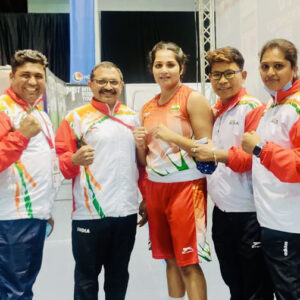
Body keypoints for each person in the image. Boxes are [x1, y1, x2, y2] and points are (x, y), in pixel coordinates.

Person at [55, 61, 143, 300]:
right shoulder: (75, 118)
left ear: (121, 85)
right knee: (86, 280)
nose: (108, 87)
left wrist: (145, 199)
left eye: (113, 82)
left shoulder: (133, 119)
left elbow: (141, 164)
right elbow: (62, 165)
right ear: (90, 84)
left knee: (118, 277)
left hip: (126, 212)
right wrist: (73, 160)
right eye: (102, 81)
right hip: (88, 214)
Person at [192, 46, 274, 299]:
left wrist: (216, 155)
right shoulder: (217, 111)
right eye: (216, 75)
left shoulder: (253, 108)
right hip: (223, 212)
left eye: (229, 73)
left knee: (255, 287)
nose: (223, 81)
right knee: (233, 282)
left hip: (251, 213)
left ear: (244, 74)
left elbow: (254, 158)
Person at [133, 41, 213, 300]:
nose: (164, 70)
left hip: (187, 188)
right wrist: (139, 146)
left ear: (181, 68)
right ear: (151, 69)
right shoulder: (147, 107)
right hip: (156, 189)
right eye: (158, 65)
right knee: (168, 259)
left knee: (188, 262)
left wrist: (173, 137)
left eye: (170, 64)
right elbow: (145, 162)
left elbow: (208, 152)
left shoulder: (193, 99)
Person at [242, 38, 300, 300]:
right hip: (273, 220)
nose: (270, 73)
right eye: (265, 66)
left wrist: (259, 149)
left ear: (294, 68)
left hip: (291, 223)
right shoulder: (272, 106)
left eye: (279, 65)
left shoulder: (296, 107)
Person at [0, 49, 58, 299]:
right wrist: (21, 135)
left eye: (38, 75)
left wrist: (46, 210)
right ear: (12, 76)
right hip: (11, 218)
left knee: (23, 287)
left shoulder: (40, 115)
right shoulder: (3, 109)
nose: (33, 82)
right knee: (14, 291)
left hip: (34, 214)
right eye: (25, 75)